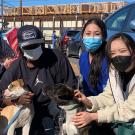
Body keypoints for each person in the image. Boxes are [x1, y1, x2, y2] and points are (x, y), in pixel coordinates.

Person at [0, 25, 77, 135]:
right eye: (28, 47)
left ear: (42, 43)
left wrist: (57, 97)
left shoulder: (57, 58)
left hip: (52, 111)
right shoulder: (16, 67)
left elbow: (71, 87)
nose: (32, 49)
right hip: (26, 114)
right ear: (20, 48)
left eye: (35, 45)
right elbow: (1, 94)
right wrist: (16, 100)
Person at [72, 33, 135, 135]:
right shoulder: (115, 71)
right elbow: (108, 96)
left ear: (133, 51)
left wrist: (95, 116)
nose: (117, 56)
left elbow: (129, 109)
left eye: (123, 51)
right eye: (113, 53)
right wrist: (88, 101)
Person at [79, 17, 109, 96]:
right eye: (88, 34)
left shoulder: (108, 59)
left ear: (103, 37)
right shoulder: (83, 57)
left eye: (97, 34)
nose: (91, 38)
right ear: (82, 36)